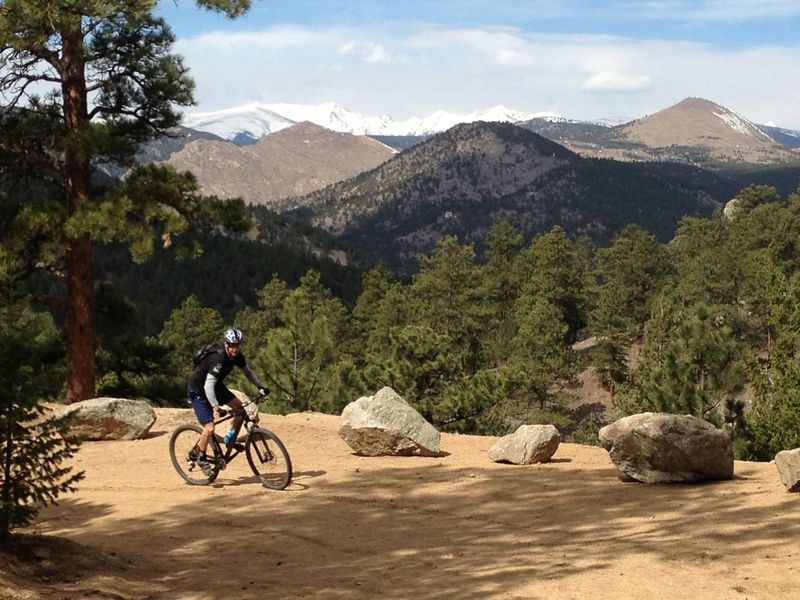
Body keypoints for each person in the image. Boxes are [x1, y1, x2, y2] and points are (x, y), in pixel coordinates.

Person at [187, 327, 267, 475]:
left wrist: (260, 386)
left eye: (237, 345)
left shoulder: (237, 356)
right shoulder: (218, 359)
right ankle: (201, 457)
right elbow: (207, 386)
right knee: (210, 428)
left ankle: (230, 438)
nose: (235, 349)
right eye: (231, 345)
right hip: (199, 391)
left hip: (216, 387)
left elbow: (248, 372)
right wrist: (216, 407)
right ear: (226, 344)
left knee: (240, 409)